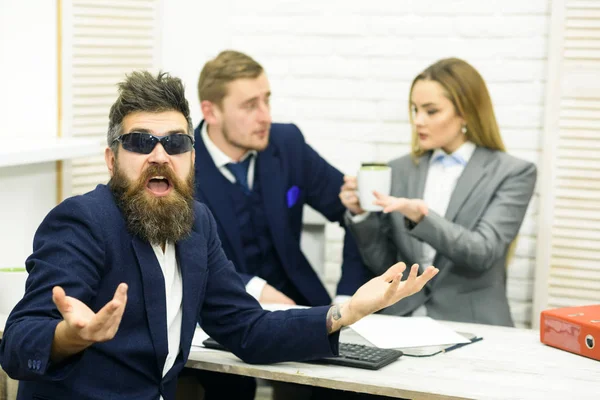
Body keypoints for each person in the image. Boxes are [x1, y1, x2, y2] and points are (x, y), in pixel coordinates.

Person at [0, 71, 438, 400]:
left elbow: (246, 328)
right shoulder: (82, 222)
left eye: (175, 143)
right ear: (112, 161)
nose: (159, 155)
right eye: (139, 142)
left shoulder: (196, 223)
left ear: (191, 158)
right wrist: (70, 337)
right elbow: (19, 344)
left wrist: (346, 312)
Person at [340, 58, 536, 327]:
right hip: (401, 321)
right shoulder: (398, 170)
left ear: (465, 112)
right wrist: (362, 216)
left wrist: (421, 218)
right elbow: (384, 265)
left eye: (431, 111)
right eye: (414, 109)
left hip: (474, 325)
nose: (418, 121)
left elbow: (482, 252)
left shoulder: (513, 172)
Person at [193, 50, 373, 308]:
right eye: (250, 106)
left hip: (304, 308)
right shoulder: (180, 165)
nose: (265, 116)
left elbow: (354, 212)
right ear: (211, 112)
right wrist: (256, 290)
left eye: (267, 100)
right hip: (224, 315)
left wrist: (347, 297)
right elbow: (185, 260)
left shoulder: (287, 145)